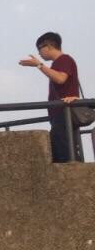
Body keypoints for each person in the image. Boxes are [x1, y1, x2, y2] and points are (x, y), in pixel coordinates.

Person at [20, 32, 85, 163]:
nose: (39, 53)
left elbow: (61, 78)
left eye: (40, 49)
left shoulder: (64, 59)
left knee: (64, 155)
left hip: (64, 113)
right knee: (61, 151)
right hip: (61, 114)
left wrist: (39, 65)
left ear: (48, 46)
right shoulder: (60, 62)